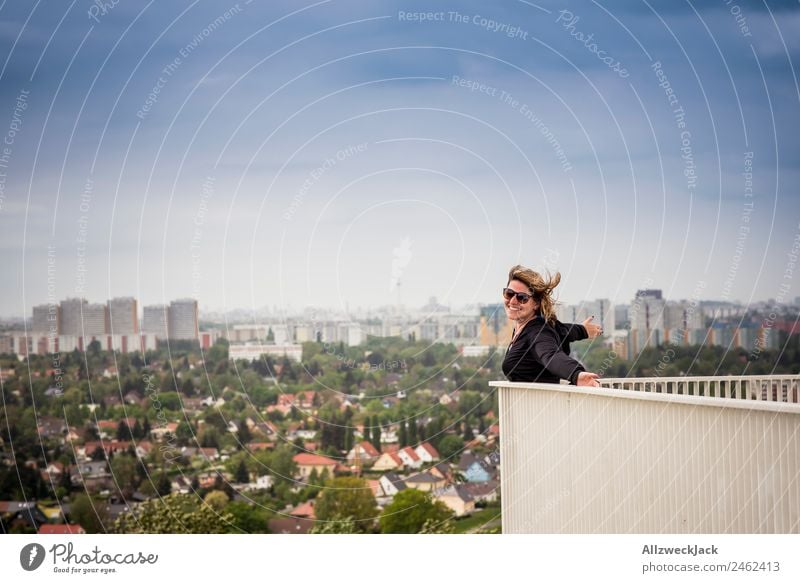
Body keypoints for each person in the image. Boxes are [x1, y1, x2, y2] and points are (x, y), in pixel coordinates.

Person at [501, 264, 602, 387]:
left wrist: (576, 375)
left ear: (536, 304)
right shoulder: (528, 327)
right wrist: (582, 330)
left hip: (540, 404)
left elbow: (550, 355)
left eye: (522, 297)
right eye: (509, 293)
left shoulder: (538, 332)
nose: (512, 301)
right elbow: (562, 330)